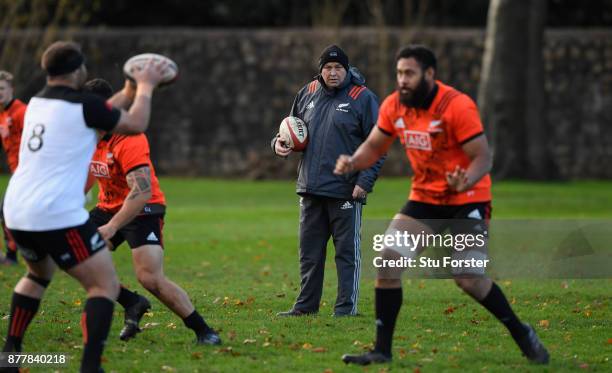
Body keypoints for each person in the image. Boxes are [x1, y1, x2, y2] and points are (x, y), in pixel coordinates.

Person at [335, 45, 549, 365]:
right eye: (399, 73)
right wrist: (352, 162)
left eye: (409, 73)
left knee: (467, 277)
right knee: (388, 261)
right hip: (425, 198)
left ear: (430, 75)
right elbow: (376, 146)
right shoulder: (395, 105)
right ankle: (382, 350)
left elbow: (483, 157)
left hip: (468, 200)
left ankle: (522, 333)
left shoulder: (456, 106)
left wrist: (468, 179)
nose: (402, 80)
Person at [0, 41, 166, 373]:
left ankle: (10, 357)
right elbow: (134, 122)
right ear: (78, 70)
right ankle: (91, 367)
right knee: (102, 285)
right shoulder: (84, 106)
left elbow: (101, 110)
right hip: (55, 212)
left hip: (16, 208)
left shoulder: (38, 102)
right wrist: (145, 87)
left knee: (38, 274)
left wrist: (126, 89)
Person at [83, 78, 221, 345]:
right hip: (107, 206)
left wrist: (112, 227)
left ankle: (203, 330)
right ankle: (132, 302)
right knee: (74, 255)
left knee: (149, 277)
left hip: (144, 207)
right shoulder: (86, 136)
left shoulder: (129, 137)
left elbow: (141, 191)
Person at [272, 45, 385, 317]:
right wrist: (278, 143)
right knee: (309, 254)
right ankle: (305, 306)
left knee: (347, 254)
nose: (333, 73)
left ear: (346, 70)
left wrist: (364, 182)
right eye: (328, 68)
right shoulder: (307, 93)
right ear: (320, 70)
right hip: (310, 188)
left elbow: (378, 146)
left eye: (338, 68)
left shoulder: (363, 98)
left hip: (346, 191)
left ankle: (346, 308)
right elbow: (290, 128)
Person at [0, 71, 25, 265]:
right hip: (16, 172)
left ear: (11, 90)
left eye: (2, 89)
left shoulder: (21, 112)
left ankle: (11, 256)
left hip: (27, 173)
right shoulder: (2, 113)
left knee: (6, 210)